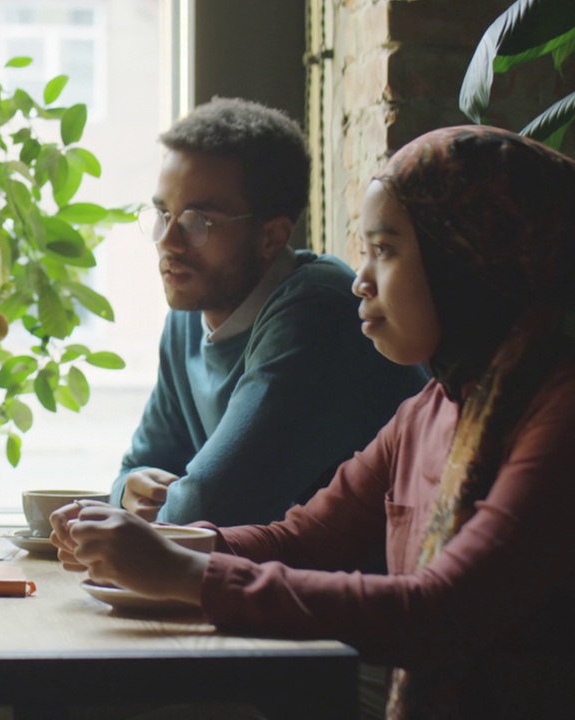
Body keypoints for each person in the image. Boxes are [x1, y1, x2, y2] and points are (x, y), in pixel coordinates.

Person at [54, 126, 575, 718]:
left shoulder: (559, 415)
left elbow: (440, 612)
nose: (361, 279)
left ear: (468, 257)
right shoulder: (429, 410)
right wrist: (157, 544)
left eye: (386, 251)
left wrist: (182, 570)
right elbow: (303, 539)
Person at [115, 98, 426, 527]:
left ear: (271, 237)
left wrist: (139, 516)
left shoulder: (317, 311)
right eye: (163, 214)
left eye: (197, 221)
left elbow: (210, 506)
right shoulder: (188, 316)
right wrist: (127, 493)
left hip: (356, 584)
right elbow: (137, 469)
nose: (168, 241)